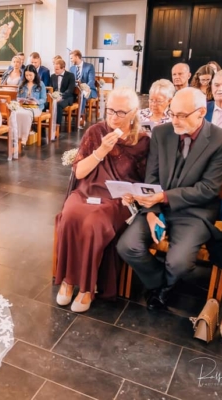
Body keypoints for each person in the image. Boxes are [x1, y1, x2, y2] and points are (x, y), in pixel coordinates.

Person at [117, 87, 222, 311]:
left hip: (194, 212)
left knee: (180, 263)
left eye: (182, 115)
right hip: (157, 204)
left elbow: (208, 189)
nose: (174, 120)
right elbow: (152, 177)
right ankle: (162, 285)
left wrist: (164, 197)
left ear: (201, 112)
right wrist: (152, 212)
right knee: (127, 246)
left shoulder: (218, 140)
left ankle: (166, 286)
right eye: (172, 113)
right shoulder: (162, 133)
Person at [54, 87, 150, 313]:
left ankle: (87, 288)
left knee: (94, 222)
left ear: (134, 112)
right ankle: (68, 280)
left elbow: (145, 181)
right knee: (70, 214)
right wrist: (100, 152)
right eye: (110, 111)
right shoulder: (95, 132)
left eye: (120, 113)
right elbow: (79, 173)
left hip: (118, 199)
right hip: (88, 190)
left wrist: (134, 195)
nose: (113, 118)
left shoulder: (143, 141)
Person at [13, 65, 47, 145]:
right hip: (23, 106)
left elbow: (44, 99)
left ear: (35, 74)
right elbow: (18, 97)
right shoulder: (22, 84)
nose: (28, 77)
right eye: (26, 75)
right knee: (16, 113)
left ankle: (24, 137)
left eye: (30, 75)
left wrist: (36, 102)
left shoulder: (40, 84)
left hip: (36, 107)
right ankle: (17, 136)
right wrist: (20, 100)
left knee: (27, 114)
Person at [69, 49, 97, 126]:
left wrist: (85, 88)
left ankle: (80, 117)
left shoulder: (89, 66)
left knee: (83, 95)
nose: (70, 60)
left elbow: (91, 80)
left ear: (77, 57)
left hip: (88, 90)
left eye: (71, 58)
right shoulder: (72, 69)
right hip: (75, 90)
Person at [50, 57, 76, 125]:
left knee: (58, 104)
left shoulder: (70, 75)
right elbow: (50, 88)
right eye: (54, 69)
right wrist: (52, 96)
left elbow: (70, 90)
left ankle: (57, 125)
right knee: (44, 104)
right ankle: (43, 126)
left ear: (63, 68)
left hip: (67, 97)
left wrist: (61, 96)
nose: (55, 71)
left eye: (57, 69)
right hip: (54, 97)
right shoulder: (53, 76)